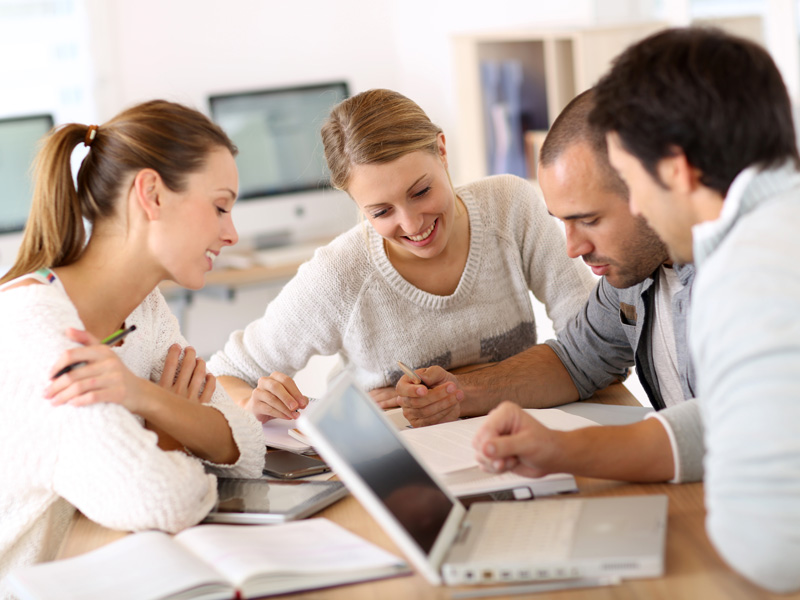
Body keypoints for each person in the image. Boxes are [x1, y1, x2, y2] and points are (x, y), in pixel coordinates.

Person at [474, 27, 800, 593]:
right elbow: (727, 416)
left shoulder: (750, 266)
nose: (640, 203)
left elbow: (774, 550)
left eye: (633, 180)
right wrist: (562, 450)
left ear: (675, 168)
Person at [0, 100, 266, 595]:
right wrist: (171, 434)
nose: (231, 233)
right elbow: (161, 500)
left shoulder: (144, 311)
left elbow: (247, 448)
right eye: (220, 206)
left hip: (89, 568)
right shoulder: (34, 328)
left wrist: (145, 400)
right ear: (151, 194)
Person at [208, 88, 595, 423]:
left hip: (518, 436)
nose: (412, 224)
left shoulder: (511, 208)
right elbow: (225, 375)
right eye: (381, 212)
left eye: (421, 192)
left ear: (442, 152)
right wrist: (255, 403)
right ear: (355, 203)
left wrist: (464, 391)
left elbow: (597, 343)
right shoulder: (339, 273)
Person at [396, 91, 699, 483]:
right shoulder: (635, 270)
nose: (573, 248)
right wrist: (458, 393)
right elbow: (574, 360)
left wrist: (563, 451)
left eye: (588, 220)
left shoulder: (746, 276)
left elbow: (733, 427)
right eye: (563, 221)